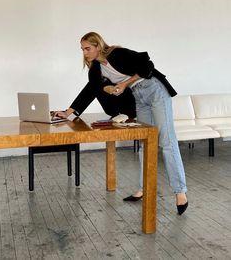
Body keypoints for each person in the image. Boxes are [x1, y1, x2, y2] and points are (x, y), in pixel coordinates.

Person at [55, 32, 188, 215]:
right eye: (82, 49)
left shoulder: (117, 54)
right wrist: (67, 112)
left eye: (88, 48)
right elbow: (89, 91)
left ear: (98, 46)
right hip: (139, 98)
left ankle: (180, 192)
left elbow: (147, 65)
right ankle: (144, 188)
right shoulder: (96, 69)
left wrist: (125, 83)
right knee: (143, 144)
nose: (85, 53)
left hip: (154, 90)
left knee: (166, 142)